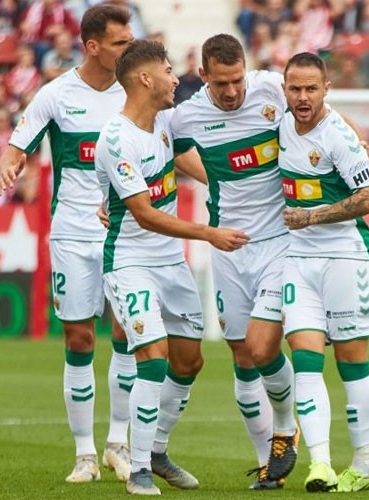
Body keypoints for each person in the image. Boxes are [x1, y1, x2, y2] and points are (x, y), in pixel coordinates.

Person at [0, 4, 149, 484]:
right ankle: (84, 453)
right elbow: (18, 142)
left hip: (125, 234)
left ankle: (117, 444)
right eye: (121, 44)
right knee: (80, 338)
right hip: (73, 234)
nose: (129, 50)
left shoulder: (138, 93)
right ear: (92, 47)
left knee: (127, 334)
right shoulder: (57, 95)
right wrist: (10, 159)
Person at [95, 39, 250, 495]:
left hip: (168, 261)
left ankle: (157, 450)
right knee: (153, 357)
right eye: (167, 69)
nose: (175, 77)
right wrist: (208, 233)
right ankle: (137, 468)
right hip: (130, 262)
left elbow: (188, 157)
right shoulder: (116, 138)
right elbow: (143, 213)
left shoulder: (165, 121)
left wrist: (236, 184)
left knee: (190, 359)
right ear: (145, 78)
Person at [167, 33, 300, 490]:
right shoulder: (185, 116)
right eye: (221, 82)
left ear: (247, 70)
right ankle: (269, 464)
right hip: (228, 247)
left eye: (237, 79)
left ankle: (286, 430)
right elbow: (156, 149)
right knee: (241, 354)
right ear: (203, 76)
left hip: (280, 242)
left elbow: (318, 115)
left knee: (264, 350)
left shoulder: (270, 88)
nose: (231, 91)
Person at [278, 52, 369, 493]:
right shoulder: (280, 121)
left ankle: (366, 465)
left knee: (351, 364)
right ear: (284, 89)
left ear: (326, 90)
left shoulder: (338, 135)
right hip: (298, 262)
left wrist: (312, 216)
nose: (302, 97)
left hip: (346, 257)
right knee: (305, 362)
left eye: (311, 89)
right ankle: (319, 463)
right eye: (295, 89)